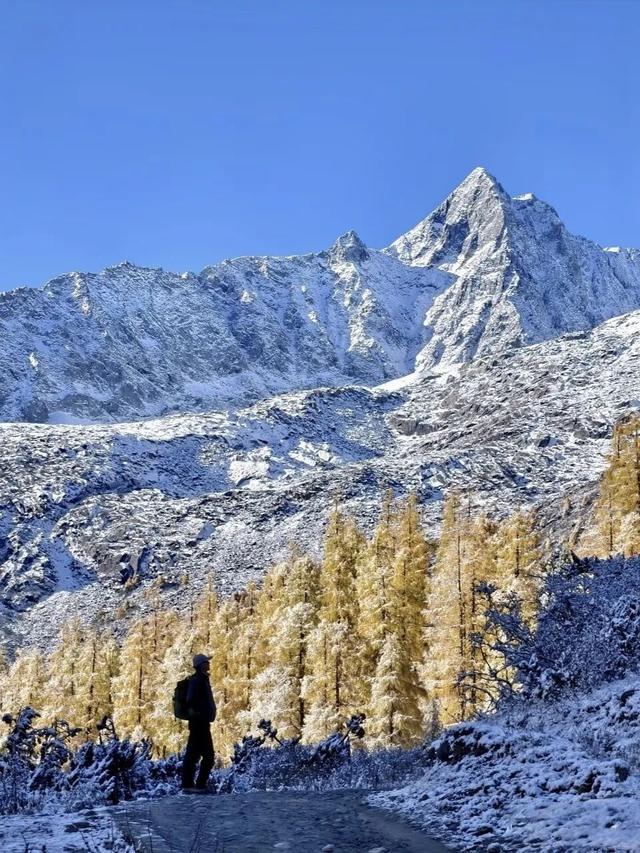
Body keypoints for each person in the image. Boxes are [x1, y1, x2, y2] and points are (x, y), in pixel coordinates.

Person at [181, 653, 217, 793]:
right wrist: (201, 712)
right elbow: (190, 699)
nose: (209, 664)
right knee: (207, 755)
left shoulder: (202, 679)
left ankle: (190, 785)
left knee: (194, 754)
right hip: (199, 723)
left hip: (200, 723)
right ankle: (198, 785)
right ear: (200, 665)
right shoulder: (197, 680)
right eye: (206, 662)